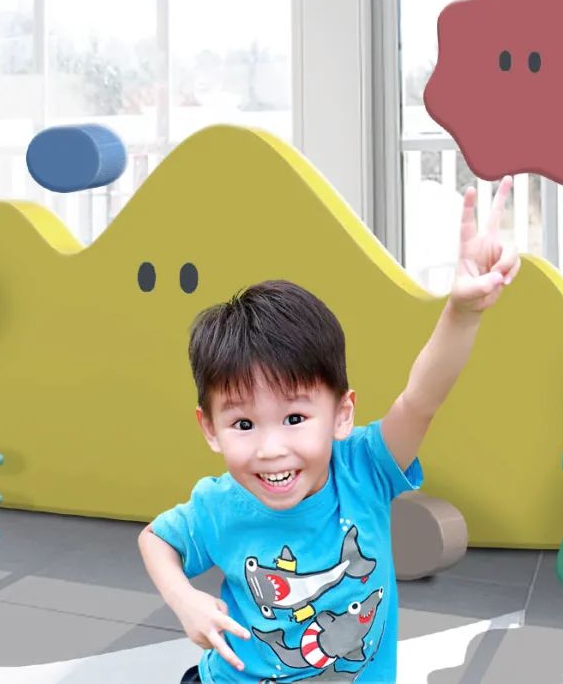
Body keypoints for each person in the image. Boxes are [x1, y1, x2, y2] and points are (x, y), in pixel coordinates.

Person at [139, 177, 520, 683]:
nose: (271, 448)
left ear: (342, 414)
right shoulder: (218, 505)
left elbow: (421, 399)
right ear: (210, 429)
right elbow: (155, 540)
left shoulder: (366, 468)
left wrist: (463, 312)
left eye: (295, 419)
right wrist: (184, 599)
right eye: (243, 423)